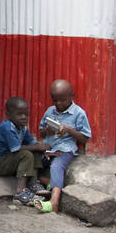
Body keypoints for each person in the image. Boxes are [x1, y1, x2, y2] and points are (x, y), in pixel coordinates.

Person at [38, 79, 92, 213]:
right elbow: (42, 133)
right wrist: (47, 131)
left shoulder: (79, 113)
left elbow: (85, 138)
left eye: (62, 100)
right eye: (55, 100)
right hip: (49, 148)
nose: (58, 104)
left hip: (65, 149)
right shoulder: (50, 111)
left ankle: (54, 202)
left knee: (57, 166)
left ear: (71, 96)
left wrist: (69, 130)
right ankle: (48, 183)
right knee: (34, 161)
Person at [0, 96, 48, 205]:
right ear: (9, 115)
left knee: (36, 151)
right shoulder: (7, 127)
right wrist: (38, 146)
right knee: (26, 154)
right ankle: (20, 193)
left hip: (7, 160)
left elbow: (32, 143)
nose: (23, 117)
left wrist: (44, 148)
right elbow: (16, 149)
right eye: (19, 114)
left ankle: (33, 183)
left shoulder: (23, 128)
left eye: (26, 114)